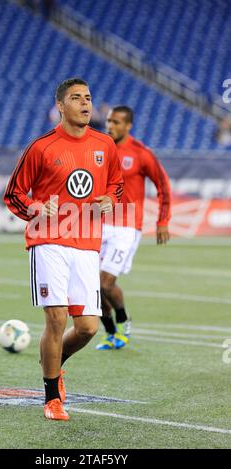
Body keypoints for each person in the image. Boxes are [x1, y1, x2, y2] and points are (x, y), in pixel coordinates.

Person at [4, 78, 123, 420]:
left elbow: (116, 186)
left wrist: (109, 200)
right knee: (56, 319)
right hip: (48, 241)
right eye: (76, 98)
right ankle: (52, 397)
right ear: (60, 105)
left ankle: (56, 363)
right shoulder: (41, 147)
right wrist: (36, 208)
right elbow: (14, 194)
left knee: (87, 328)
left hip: (87, 243)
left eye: (88, 97)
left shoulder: (105, 144)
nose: (85, 103)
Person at [96, 105, 171, 350]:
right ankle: (110, 333)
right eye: (108, 121)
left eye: (116, 122)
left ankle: (124, 321)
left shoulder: (141, 153)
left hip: (127, 226)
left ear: (128, 126)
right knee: (92, 286)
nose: (111, 126)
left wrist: (162, 221)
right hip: (100, 223)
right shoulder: (99, 148)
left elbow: (163, 185)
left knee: (106, 282)